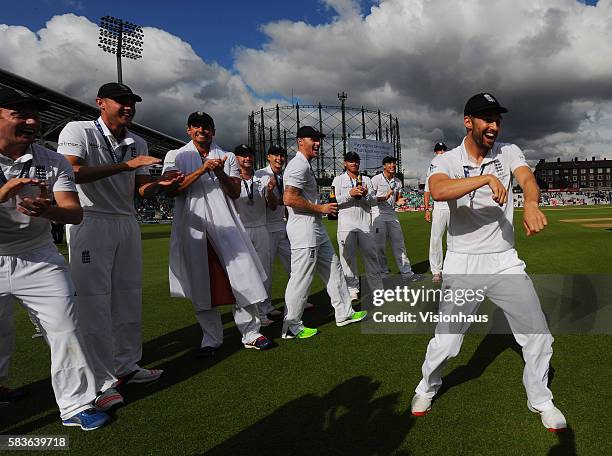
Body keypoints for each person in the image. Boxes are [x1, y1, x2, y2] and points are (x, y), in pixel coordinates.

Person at [410, 93, 566, 432]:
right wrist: (483, 178)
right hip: (464, 262)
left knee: (538, 334)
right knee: (448, 343)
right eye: (486, 119)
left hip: (504, 260)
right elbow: (438, 190)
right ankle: (427, 386)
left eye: (497, 119)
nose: (493, 125)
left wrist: (532, 204)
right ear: (469, 122)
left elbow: (526, 179)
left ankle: (540, 399)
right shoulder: (447, 160)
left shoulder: (508, 152)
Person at [57, 82, 178, 409]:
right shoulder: (78, 130)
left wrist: (161, 185)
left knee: (128, 298)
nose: (128, 107)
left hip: (125, 221)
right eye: (121, 101)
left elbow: (140, 191)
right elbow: (70, 171)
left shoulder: (136, 141)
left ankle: (127, 366)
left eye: (132, 102)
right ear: (100, 102)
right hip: (91, 220)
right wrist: (126, 166)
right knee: (94, 304)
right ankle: (101, 382)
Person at [0, 87, 108, 429]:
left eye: (35, 115)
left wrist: (49, 210)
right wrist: (4, 192)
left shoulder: (52, 160)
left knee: (66, 327)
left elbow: (74, 214)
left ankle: (76, 404)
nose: (32, 122)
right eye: (20, 115)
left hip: (39, 256)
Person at [162, 112, 272, 357]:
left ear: (213, 130)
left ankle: (251, 332)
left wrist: (219, 171)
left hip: (227, 222)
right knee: (201, 279)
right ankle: (211, 338)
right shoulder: (176, 155)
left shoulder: (228, 156)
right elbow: (172, 191)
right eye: (197, 126)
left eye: (207, 126)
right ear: (189, 130)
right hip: (193, 222)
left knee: (243, 275)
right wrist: (202, 170)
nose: (202, 130)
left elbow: (234, 192)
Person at [282, 126, 367, 339]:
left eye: (319, 139)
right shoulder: (297, 166)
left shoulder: (305, 165)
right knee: (301, 278)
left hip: (315, 227)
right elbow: (289, 198)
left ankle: (344, 313)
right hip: (304, 229)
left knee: (334, 269)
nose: (318, 142)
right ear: (300, 141)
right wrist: (321, 208)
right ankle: (292, 326)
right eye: (313, 139)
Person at [255, 145, 313, 313]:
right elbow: (265, 203)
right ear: (268, 157)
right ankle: (265, 308)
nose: (279, 159)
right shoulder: (260, 175)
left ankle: (298, 301)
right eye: (275, 156)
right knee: (266, 271)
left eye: (282, 156)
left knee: (295, 266)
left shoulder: (286, 174)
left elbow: (288, 202)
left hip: (283, 226)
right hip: (266, 227)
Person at [233, 143, 278, 326]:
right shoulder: (232, 179)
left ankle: (263, 310)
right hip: (240, 229)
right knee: (244, 274)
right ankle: (248, 314)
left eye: (249, 155)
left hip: (261, 227)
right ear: (236, 158)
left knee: (264, 271)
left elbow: (273, 206)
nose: (247, 158)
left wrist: (269, 191)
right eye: (242, 155)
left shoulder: (262, 178)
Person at [332, 152, 383, 300]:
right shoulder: (339, 180)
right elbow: (334, 201)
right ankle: (352, 289)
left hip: (365, 225)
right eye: (351, 161)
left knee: (371, 256)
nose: (354, 163)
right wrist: (350, 193)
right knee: (347, 259)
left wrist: (367, 194)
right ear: (345, 164)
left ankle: (377, 288)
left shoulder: (366, 179)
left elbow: (373, 201)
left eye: (356, 161)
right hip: (346, 226)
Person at [371, 156, 420, 280]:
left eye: (394, 163)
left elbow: (398, 199)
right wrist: (385, 197)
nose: (392, 165)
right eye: (389, 163)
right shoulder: (376, 179)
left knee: (399, 245)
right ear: (384, 166)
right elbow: (370, 199)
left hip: (392, 215)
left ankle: (407, 273)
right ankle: (383, 273)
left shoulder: (398, 181)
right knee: (379, 247)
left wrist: (400, 201)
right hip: (378, 214)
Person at [424, 142, 450, 283]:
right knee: (436, 239)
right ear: (435, 152)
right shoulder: (432, 168)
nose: (441, 152)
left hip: (453, 205)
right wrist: (427, 209)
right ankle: (436, 270)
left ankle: (453, 268)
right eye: (439, 150)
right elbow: (427, 190)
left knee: (455, 238)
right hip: (439, 207)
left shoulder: (451, 163)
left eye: (443, 150)